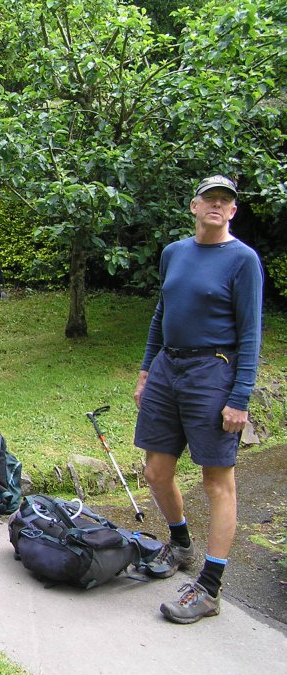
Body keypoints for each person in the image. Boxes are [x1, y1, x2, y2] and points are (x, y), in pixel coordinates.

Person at [134, 175, 263, 624]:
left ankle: (210, 587)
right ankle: (181, 544)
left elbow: (250, 333)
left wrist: (240, 396)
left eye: (226, 201)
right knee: (156, 469)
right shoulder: (175, 253)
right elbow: (161, 313)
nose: (218, 205)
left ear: (232, 212)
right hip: (168, 368)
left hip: (213, 372)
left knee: (216, 481)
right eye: (210, 198)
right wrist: (147, 370)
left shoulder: (243, 260)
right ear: (194, 206)